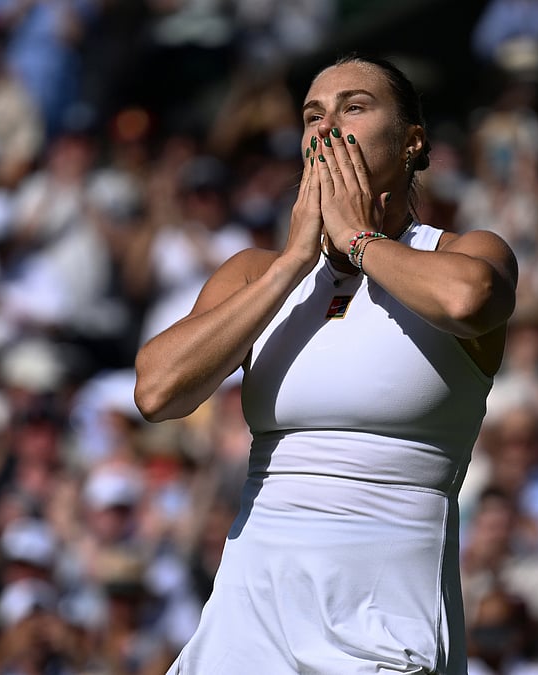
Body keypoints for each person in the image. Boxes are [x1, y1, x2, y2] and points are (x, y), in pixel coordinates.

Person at [134, 54, 518, 673]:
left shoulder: (463, 253)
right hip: (250, 616)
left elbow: (467, 300)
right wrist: (291, 264)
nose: (328, 128)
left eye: (355, 107)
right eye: (313, 115)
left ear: (413, 141)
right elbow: (156, 391)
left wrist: (361, 242)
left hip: (386, 623)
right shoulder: (256, 272)